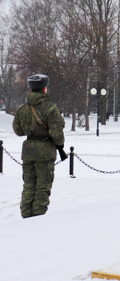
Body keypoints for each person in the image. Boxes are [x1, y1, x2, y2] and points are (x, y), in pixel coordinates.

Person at [12, 74, 65, 218]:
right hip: (45, 151)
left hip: (28, 151)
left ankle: (26, 215)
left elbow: (18, 131)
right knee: (43, 186)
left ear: (30, 89)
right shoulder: (51, 109)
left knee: (28, 185)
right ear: (44, 89)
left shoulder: (22, 109)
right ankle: (37, 218)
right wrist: (60, 144)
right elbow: (57, 134)